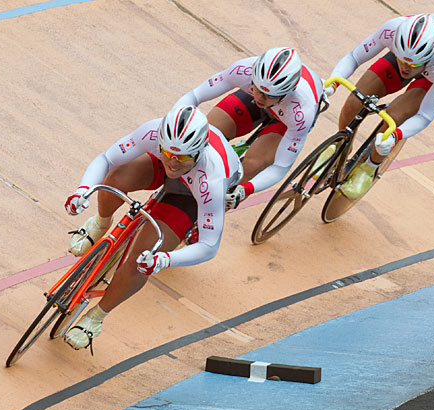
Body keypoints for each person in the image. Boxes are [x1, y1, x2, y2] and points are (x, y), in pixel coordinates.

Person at [63, 105, 241, 350]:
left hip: (191, 193)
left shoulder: (212, 180)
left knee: (140, 260)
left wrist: (163, 260)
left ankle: (97, 316)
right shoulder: (154, 134)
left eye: (183, 156)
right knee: (115, 177)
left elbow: (209, 246)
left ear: (199, 151)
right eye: (168, 152)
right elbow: (106, 159)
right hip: (171, 170)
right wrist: (83, 190)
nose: (174, 162)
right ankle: (100, 222)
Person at [329, 13, 434, 198]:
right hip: (412, 52)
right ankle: (341, 146)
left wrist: (395, 135)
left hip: (432, 73)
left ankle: (369, 169)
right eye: (401, 60)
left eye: (413, 64)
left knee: (394, 117)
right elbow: (354, 57)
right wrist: (332, 83)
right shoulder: (392, 30)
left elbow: (425, 116)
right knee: (355, 100)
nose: (405, 68)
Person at [173, 47, 326, 209]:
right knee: (206, 134)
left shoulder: (301, 112)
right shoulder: (243, 70)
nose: (260, 97)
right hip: (259, 98)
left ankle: (209, 213)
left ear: (288, 91)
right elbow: (195, 96)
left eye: (268, 95)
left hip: (285, 119)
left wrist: (246, 189)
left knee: (253, 165)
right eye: (257, 89)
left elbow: (280, 167)